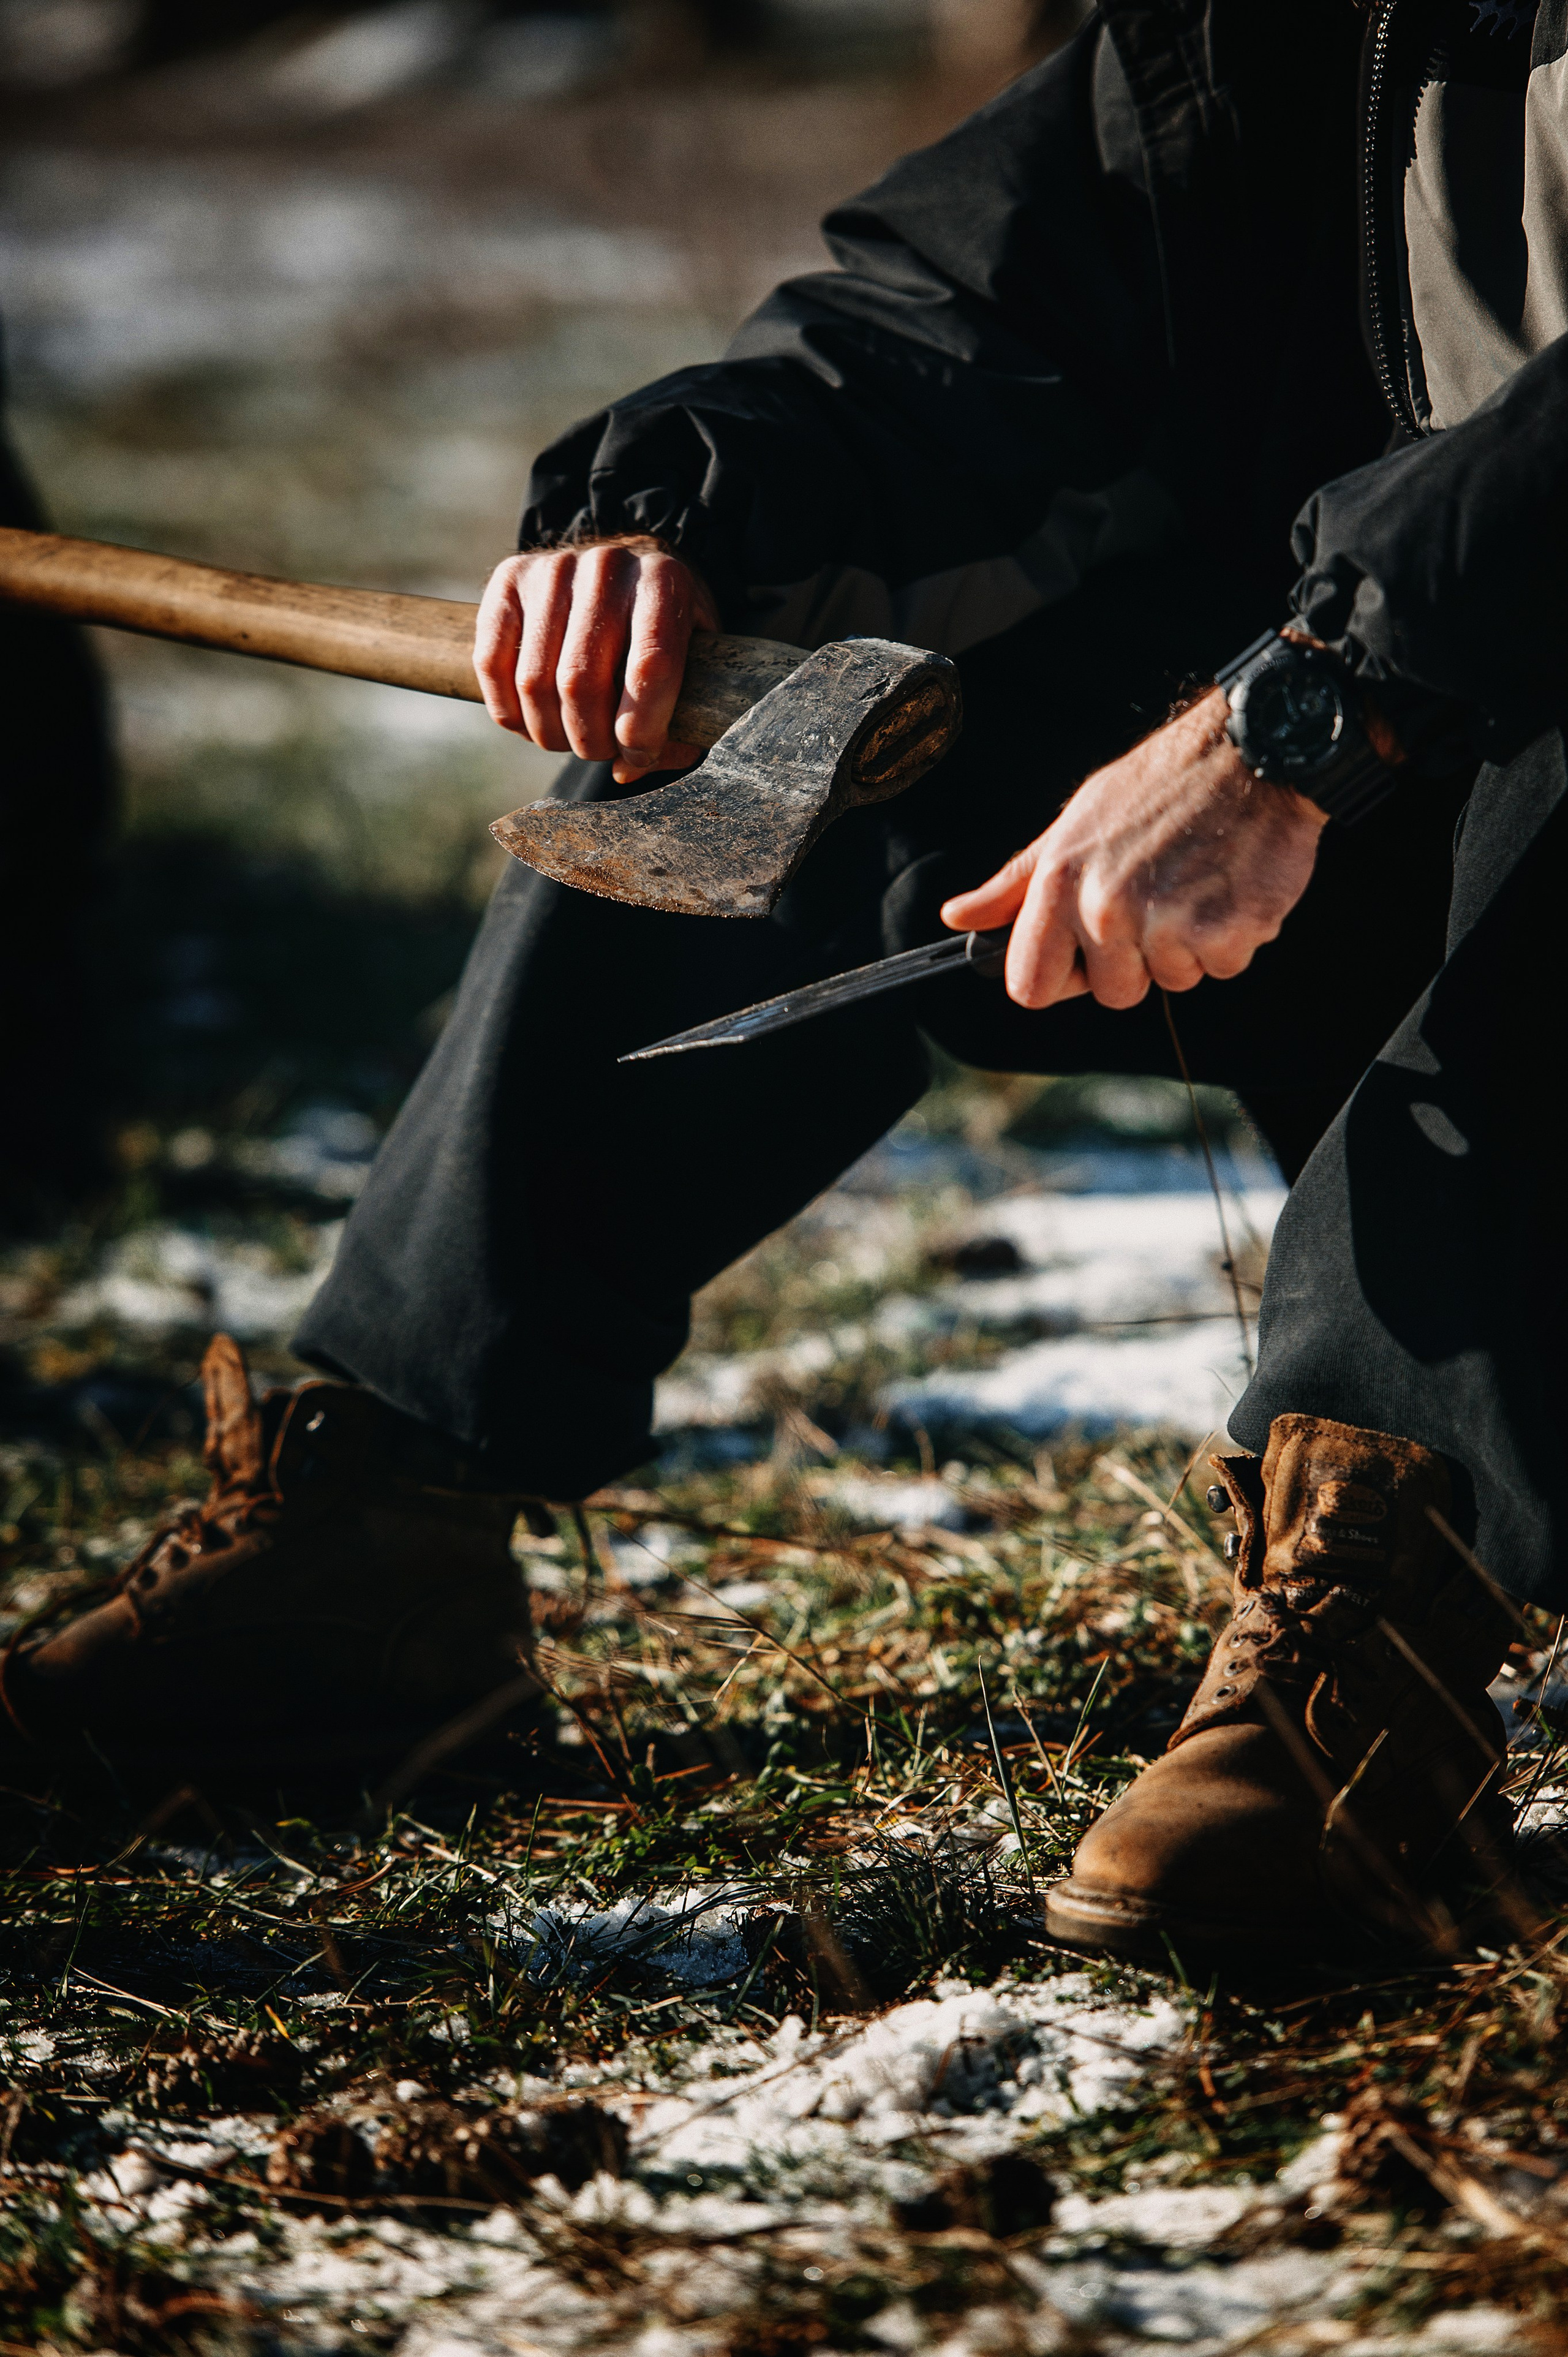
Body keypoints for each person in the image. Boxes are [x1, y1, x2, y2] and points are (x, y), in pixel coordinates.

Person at [6, 0, 1562, 1958]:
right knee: (782, 715)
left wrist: (1304, 717)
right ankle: (385, 1517)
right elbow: (958, 314)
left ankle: (1379, 1618)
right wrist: (673, 518)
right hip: (1404, 755)